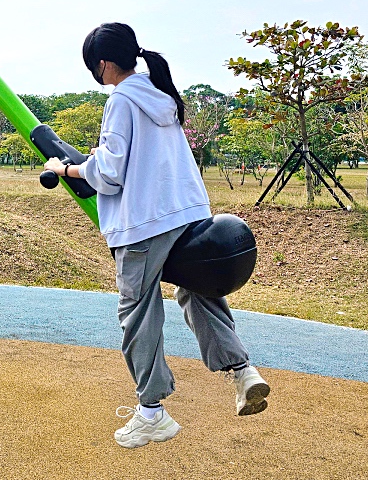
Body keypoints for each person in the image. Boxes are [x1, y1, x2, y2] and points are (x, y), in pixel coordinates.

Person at [46, 23, 270, 449]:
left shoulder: (121, 100)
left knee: (138, 311)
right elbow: (140, 157)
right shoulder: (160, 93)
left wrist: (68, 170)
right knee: (198, 291)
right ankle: (243, 373)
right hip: (187, 211)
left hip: (145, 223)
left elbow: (108, 176)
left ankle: (152, 412)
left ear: (104, 64)